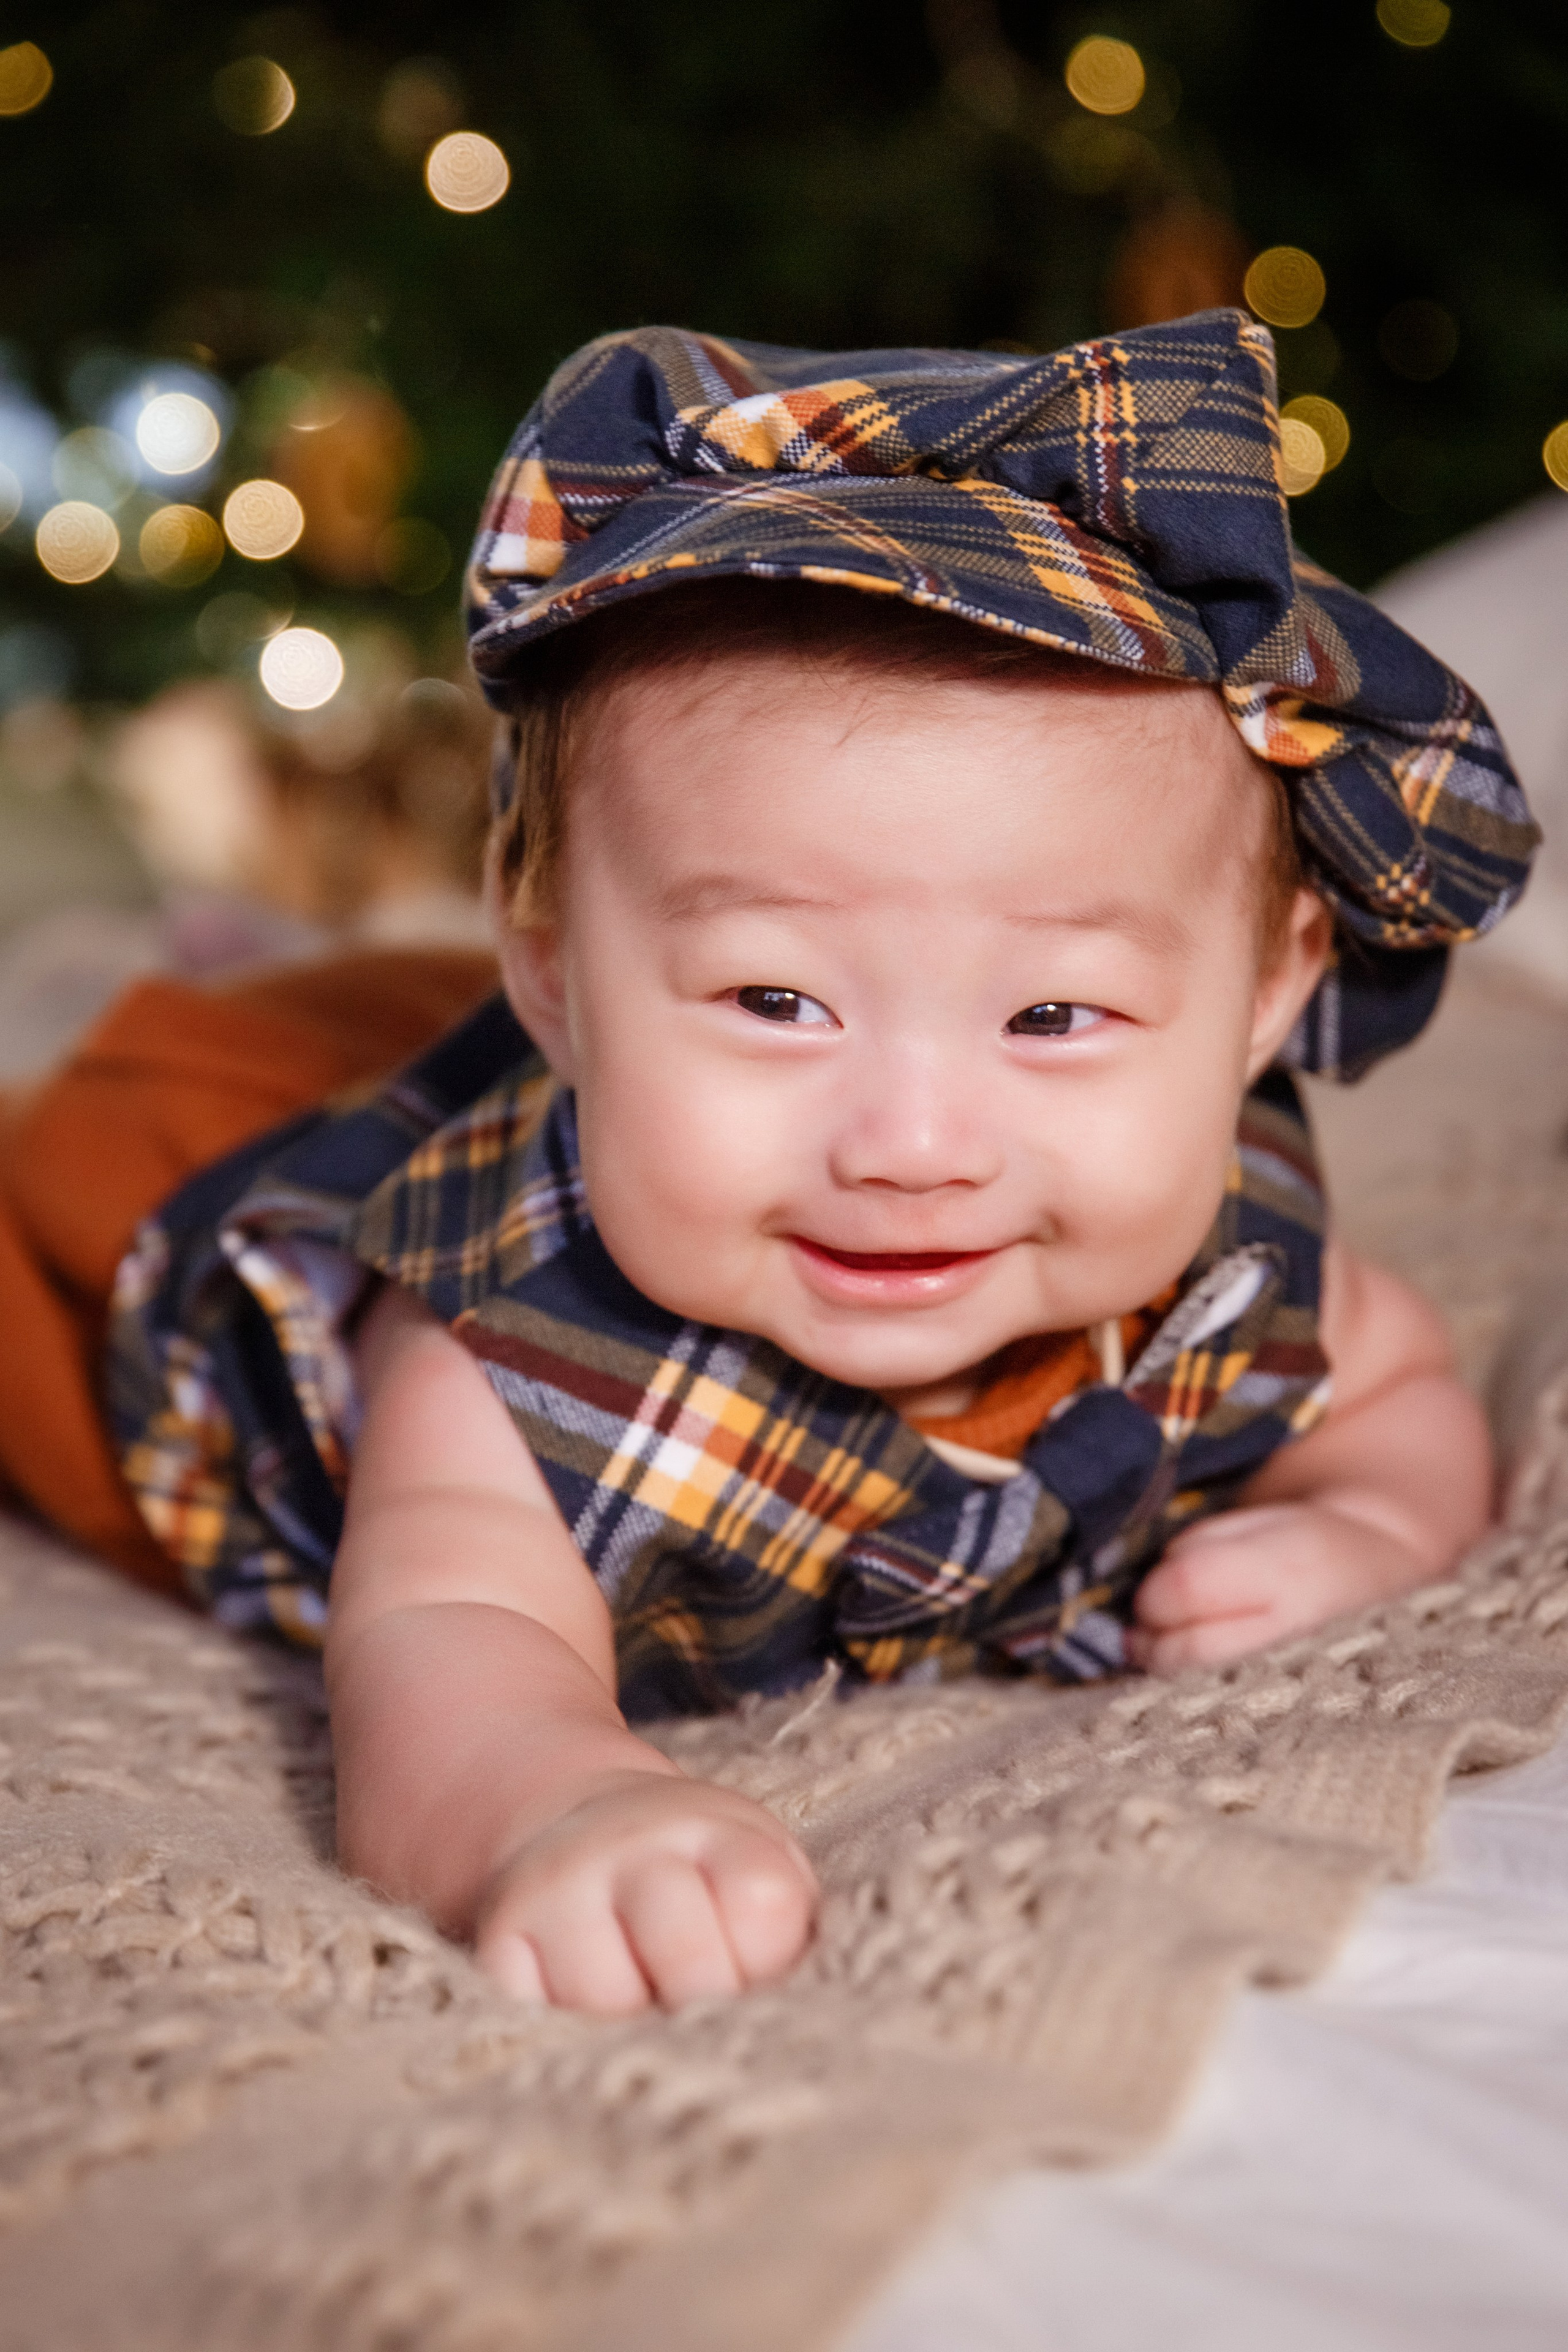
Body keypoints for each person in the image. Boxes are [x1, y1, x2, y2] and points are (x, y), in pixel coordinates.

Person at [94, 312, 1537, 2016]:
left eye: (1058, 1015)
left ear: (1270, 992)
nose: (914, 1149)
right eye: (779, 998)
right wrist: (551, 1802)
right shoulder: (497, 1344)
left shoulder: (1230, 1260)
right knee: (116, 1140)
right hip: (193, 1250)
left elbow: (1399, 1395)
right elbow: (442, 1640)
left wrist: (1364, 1527)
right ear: (547, 959)